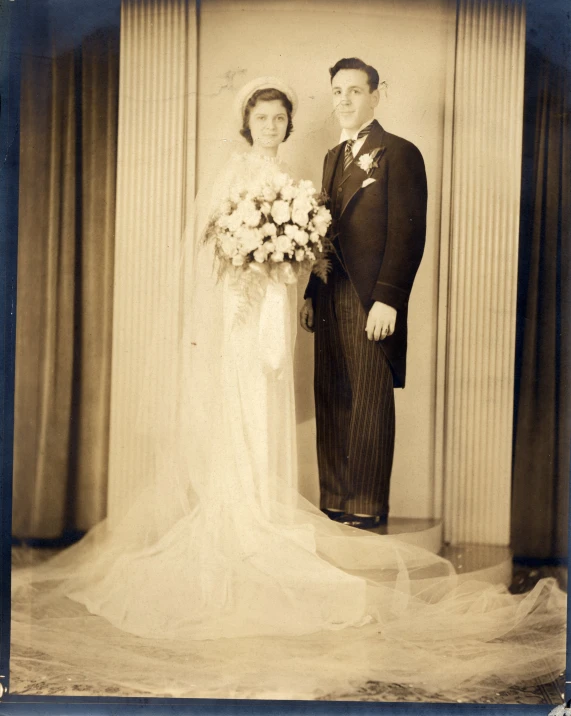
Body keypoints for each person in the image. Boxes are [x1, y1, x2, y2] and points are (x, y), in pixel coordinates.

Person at [10, 76, 565, 702]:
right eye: (262, 118)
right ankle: (242, 516)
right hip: (243, 316)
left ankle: (278, 508)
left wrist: (291, 254)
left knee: (278, 411)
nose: (271, 126)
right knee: (243, 407)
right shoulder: (240, 172)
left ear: (290, 124)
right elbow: (208, 244)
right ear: (247, 122)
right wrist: (247, 254)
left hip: (279, 312)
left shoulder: (309, 180)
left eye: (279, 118)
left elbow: (325, 248)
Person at [300, 57, 427, 529]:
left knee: (370, 399)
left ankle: (366, 505)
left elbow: (408, 234)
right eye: (337, 91)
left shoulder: (400, 152)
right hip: (331, 293)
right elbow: (323, 232)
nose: (344, 100)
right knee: (330, 395)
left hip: (371, 297)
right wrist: (313, 291)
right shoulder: (333, 158)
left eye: (355, 91)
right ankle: (334, 500)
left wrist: (389, 298)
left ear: (376, 94)